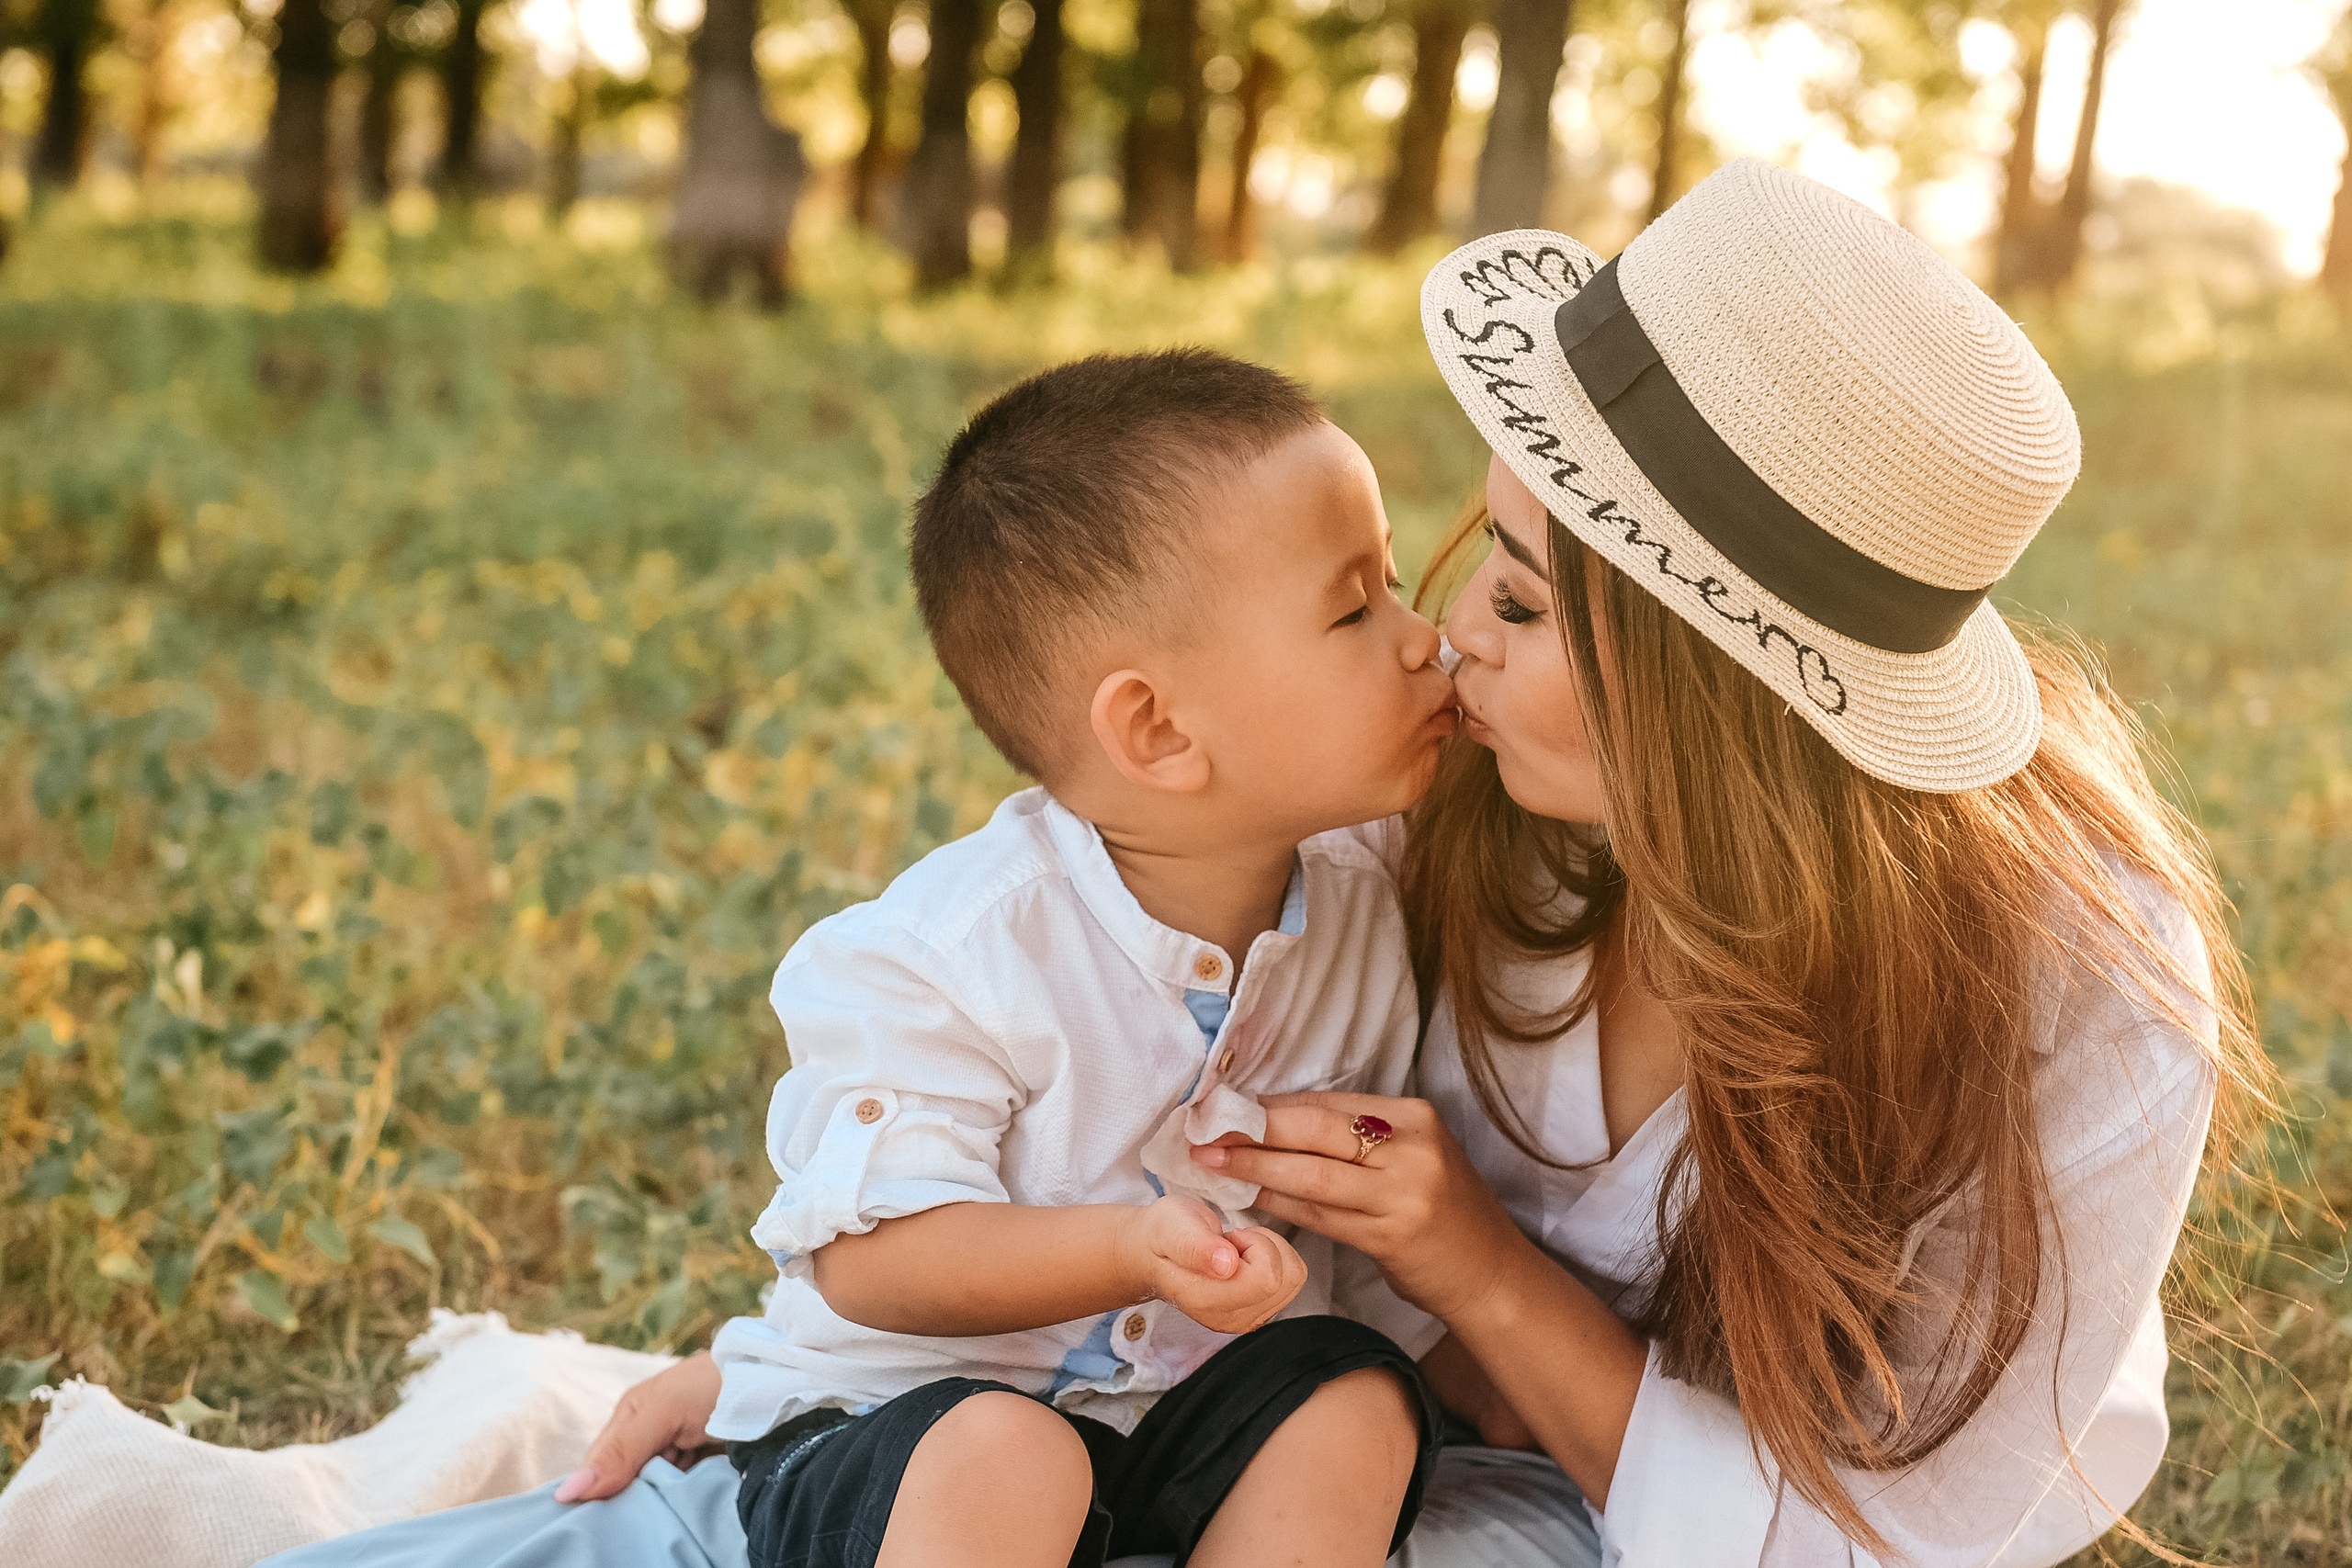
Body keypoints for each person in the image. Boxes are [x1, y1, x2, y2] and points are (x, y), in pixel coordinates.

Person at [1190, 158, 2276, 1564]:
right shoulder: (1450, 770)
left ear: (1708, 690)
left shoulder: (2078, 984)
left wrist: (1483, 1276)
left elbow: (1885, 1541)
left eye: (1521, 597)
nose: (1452, 630)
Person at [262, 348, 1459, 1568]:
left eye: (1399, 583)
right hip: (899, 1439)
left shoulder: (1375, 877)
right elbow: (875, 1258)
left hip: (1178, 1421)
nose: (1430, 641)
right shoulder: (953, 954)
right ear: (1156, 729)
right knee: (1008, 1457)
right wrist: (1122, 1249)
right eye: (1356, 608)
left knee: (1348, 1399)